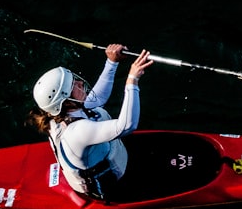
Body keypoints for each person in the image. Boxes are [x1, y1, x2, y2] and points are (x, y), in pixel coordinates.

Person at [27, 44, 154, 200]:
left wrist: (112, 62)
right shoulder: (77, 131)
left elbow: (98, 99)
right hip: (115, 187)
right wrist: (132, 80)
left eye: (74, 80)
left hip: (118, 159)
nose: (80, 83)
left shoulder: (64, 111)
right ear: (65, 102)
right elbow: (127, 126)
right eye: (73, 86)